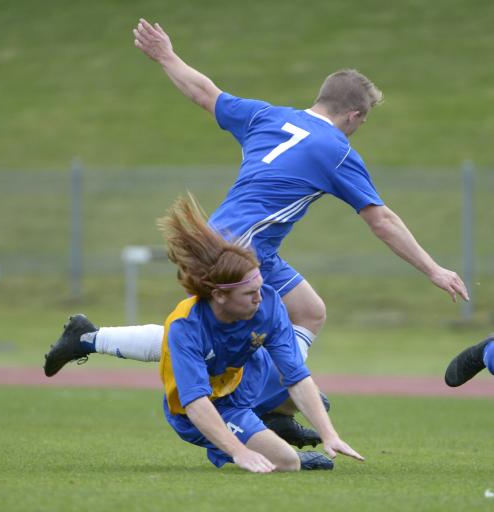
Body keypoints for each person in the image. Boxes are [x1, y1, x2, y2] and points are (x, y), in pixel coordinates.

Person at [44, 17, 469, 444]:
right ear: (354, 114)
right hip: (237, 249)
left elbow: (204, 92)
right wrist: (433, 269)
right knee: (205, 338)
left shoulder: (269, 116)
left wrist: (167, 55)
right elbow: (382, 219)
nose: (360, 128)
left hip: (232, 242)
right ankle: (93, 340)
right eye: (363, 120)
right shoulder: (336, 149)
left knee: (308, 312)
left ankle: (274, 410)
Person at [54, 193, 366, 472]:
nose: (260, 298)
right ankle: (239, 444)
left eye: (260, 288)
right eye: (249, 293)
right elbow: (196, 403)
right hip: (211, 407)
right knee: (286, 463)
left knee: (316, 403)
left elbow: (295, 374)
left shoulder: (267, 302)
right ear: (219, 295)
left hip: (246, 379)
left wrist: (329, 434)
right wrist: (238, 451)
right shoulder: (186, 326)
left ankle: (268, 425)